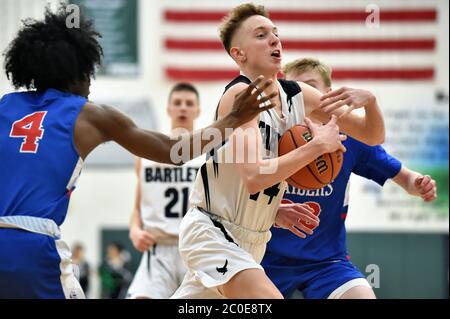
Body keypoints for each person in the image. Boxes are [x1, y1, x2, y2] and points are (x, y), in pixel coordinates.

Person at [0, 5, 277, 299]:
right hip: (33, 245)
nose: (91, 84)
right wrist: (232, 120)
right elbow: (172, 150)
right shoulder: (88, 115)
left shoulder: (5, 106)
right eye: (89, 73)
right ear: (75, 70)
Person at [171, 3, 386, 299]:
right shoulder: (242, 96)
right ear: (239, 54)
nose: (274, 39)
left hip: (253, 240)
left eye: (275, 33)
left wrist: (371, 102)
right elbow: (255, 176)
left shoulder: (299, 96)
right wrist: (317, 147)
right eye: (261, 35)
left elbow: (372, 136)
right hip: (213, 232)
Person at [261, 57, 438, 299]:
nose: (303, 95)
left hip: (325, 261)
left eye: (310, 87)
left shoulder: (349, 137)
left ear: (328, 94)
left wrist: (419, 184)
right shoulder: (270, 134)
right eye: (295, 88)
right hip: (265, 257)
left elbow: (405, 179)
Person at [126, 83, 202, 298]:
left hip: (197, 248)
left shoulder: (207, 155)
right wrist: (134, 231)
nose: (183, 108)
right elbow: (136, 209)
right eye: (177, 103)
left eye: (189, 104)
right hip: (158, 248)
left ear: (198, 111)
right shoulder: (146, 154)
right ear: (168, 109)